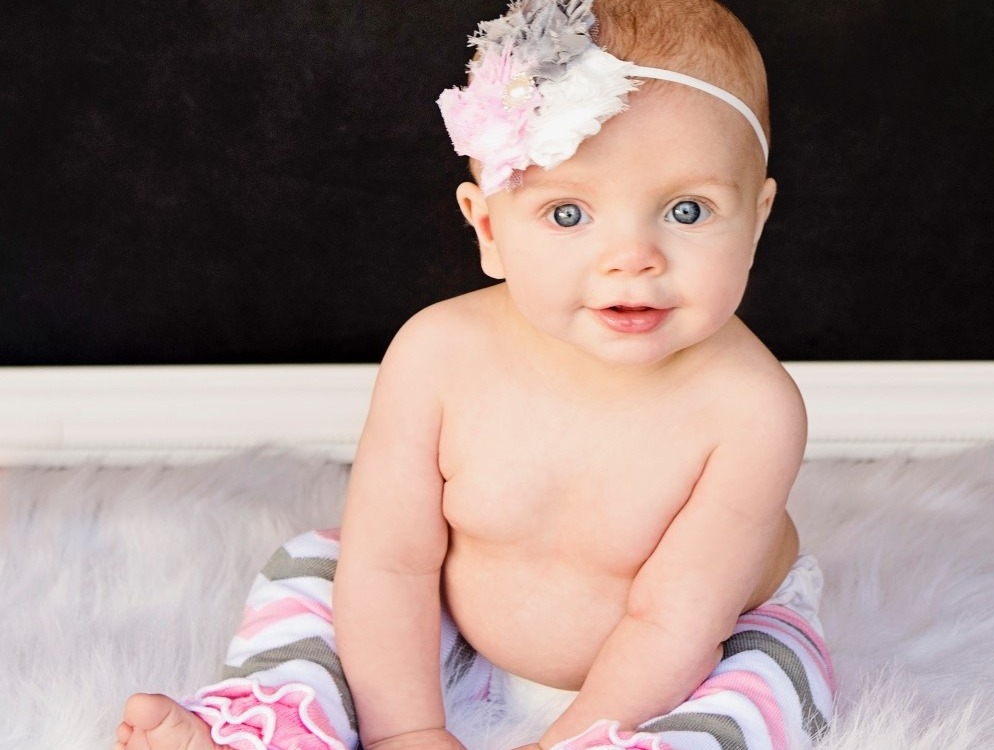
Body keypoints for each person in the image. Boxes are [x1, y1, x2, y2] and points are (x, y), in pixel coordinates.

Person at [114, 1, 835, 749]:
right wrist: (407, 732)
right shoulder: (438, 354)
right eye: (568, 214)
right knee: (319, 568)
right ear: (488, 227)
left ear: (756, 219)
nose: (633, 259)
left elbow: (674, 623)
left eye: (687, 211)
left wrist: (558, 743)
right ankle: (268, 729)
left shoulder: (752, 411)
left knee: (766, 682)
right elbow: (392, 563)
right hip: (450, 633)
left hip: (677, 664)